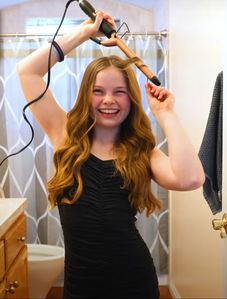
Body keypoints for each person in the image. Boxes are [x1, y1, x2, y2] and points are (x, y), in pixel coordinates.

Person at [17, 10, 205, 299]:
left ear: (131, 99)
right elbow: (27, 72)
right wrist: (84, 33)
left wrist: (166, 114)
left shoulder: (143, 151)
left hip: (134, 280)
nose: (108, 100)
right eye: (98, 91)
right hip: (80, 284)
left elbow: (191, 179)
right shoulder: (65, 135)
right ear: (85, 96)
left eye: (119, 92)